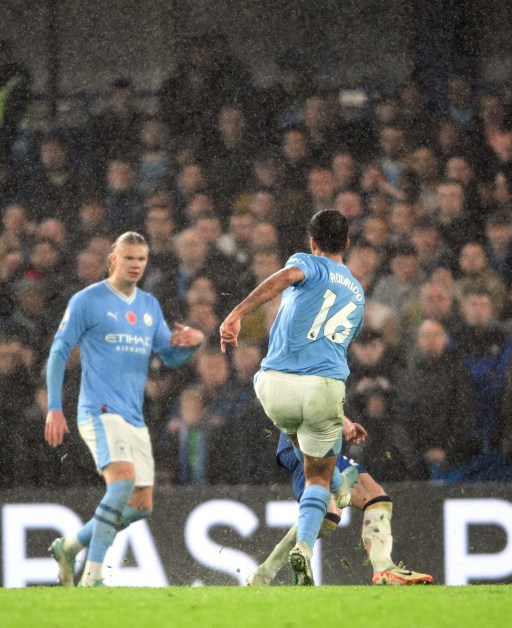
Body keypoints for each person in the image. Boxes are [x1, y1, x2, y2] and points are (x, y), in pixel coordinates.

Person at [46, 231, 205, 587]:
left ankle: (69, 546)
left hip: (133, 415)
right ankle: (93, 577)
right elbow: (59, 352)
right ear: (113, 259)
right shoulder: (87, 300)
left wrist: (193, 344)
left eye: (142, 259)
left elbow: (169, 355)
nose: (135, 265)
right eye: (129, 257)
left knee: (140, 504)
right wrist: (54, 407)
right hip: (99, 409)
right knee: (121, 486)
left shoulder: (149, 305)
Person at [219, 209, 364, 586]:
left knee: (300, 438)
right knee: (318, 474)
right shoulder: (357, 293)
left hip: (274, 384)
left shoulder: (307, 262)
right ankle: (304, 545)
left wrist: (236, 313)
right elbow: (332, 350)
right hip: (325, 388)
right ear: (346, 244)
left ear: (312, 243)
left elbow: (286, 278)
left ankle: (338, 482)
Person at [246, 427, 433, 586]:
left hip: (305, 439)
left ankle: (262, 575)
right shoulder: (320, 385)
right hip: (308, 440)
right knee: (373, 496)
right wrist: (344, 423)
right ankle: (384, 568)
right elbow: (318, 394)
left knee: (328, 515)